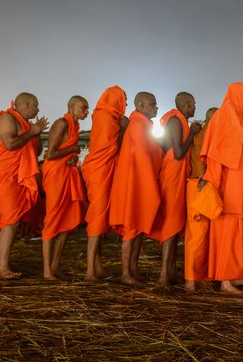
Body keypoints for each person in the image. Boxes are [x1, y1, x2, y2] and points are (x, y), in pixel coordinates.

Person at [199, 83, 243, 295]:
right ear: (239, 97)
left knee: (239, 232)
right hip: (229, 185)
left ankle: (235, 274)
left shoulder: (235, 116)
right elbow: (226, 150)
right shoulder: (228, 114)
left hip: (238, 182)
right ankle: (224, 281)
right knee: (227, 233)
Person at [0, 93, 48, 279]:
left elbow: (36, 150)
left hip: (18, 177)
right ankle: (1, 268)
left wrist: (35, 132)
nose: (38, 109)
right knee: (10, 221)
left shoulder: (27, 124)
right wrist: (31, 132)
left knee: (11, 222)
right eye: (36, 106)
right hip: (5, 177)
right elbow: (10, 144)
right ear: (27, 104)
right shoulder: (8, 118)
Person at [109, 92, 162, 285]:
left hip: (141, 182)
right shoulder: (138, 126)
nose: (156, 107)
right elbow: (142, 158)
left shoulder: (143, 125)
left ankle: (133, 270)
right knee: (131, 228)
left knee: (138, 228)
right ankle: (125, 274)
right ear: (140, 105)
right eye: (152, 104)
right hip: (136, 184)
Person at [149, 92, 202, 288]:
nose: (195, 108)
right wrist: (194, 134)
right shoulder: (175, 121)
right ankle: (163, 276)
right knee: (170, 224)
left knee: (173, 222)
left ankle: (169, 271)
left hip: (175, 172)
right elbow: (179, 153)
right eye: (194, 104)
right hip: (173, 172)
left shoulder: (177, 121)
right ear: (187, 104)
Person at [82, 86, 128, 282]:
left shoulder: (105, 116)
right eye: (123, 100)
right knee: (96, 220)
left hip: (103, 169)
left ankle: (97, 267)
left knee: (100, 222)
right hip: (99, 171)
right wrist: (124, 128)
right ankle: (89, 271)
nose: (125, 104)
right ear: (115, 99)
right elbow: (111, 146)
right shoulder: (105, 117)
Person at [41, 96, 89, 279]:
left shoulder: (75, 126)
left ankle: (55, 266)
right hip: (56, 177)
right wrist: (74, 149)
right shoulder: (62, 123)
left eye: (87, 109)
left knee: (66, 222)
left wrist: (74, 156)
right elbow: (51, 154)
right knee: (53, 220)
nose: (86, 112)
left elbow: (69, 153)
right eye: (83, 108)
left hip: (67, 174)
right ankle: (47, 271)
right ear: (71, 107)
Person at [184, 107, 217, 292]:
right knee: (198, 235)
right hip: (200, 185)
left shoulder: (201, 132)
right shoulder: (206, 134)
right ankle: (190, 279)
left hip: (200, 185)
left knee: (203, 236)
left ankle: (201, 276)